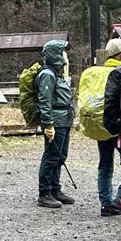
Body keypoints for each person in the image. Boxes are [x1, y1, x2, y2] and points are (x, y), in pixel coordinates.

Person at [81, 38, 121, 217]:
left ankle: (106, 205)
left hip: (99, 124)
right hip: (117, 127)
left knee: (105, 165)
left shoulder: (96, 73)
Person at [35, 40, 76, 209]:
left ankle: (55, 189)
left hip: (64, 120)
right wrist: (48, 124)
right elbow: (44, 101)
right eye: (62, 52)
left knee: (60, 156)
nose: (65, 56)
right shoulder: (47, 75)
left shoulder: (57, 74)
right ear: (55, 54)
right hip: (56, 121)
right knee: (51, 156)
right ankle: (44, 193)